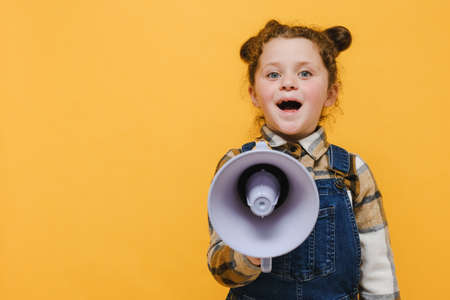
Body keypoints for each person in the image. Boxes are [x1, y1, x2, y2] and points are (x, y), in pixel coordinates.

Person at [207, 19, 400, 300]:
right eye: (273, 75)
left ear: (331, 94)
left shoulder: (352, 171)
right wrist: (249, 255)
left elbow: (378, 271)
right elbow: (221, 269)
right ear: (254, 95)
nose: (288, 83)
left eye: (305, 73)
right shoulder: (235, 166)